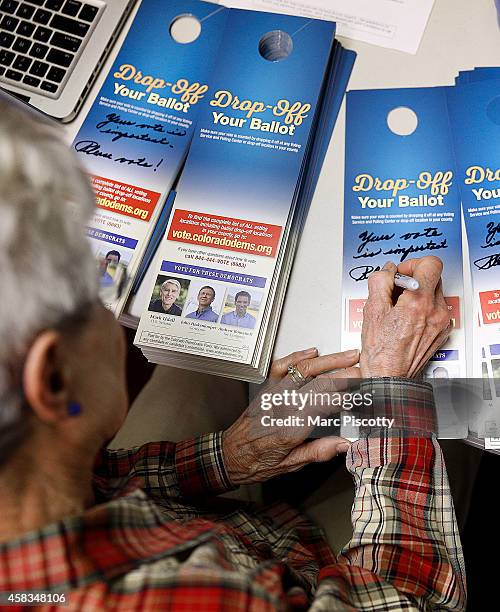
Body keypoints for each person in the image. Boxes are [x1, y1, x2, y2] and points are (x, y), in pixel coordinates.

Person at [0, 94, 466, 610]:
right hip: (311, 578)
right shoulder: (193, 599)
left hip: (218, 526)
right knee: (458, 426)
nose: (111, 295)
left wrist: (231, 457)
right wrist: (394, 395)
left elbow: (98, 478)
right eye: (93, 287)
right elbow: (413, 601)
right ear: (54, 380)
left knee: (195, 362)